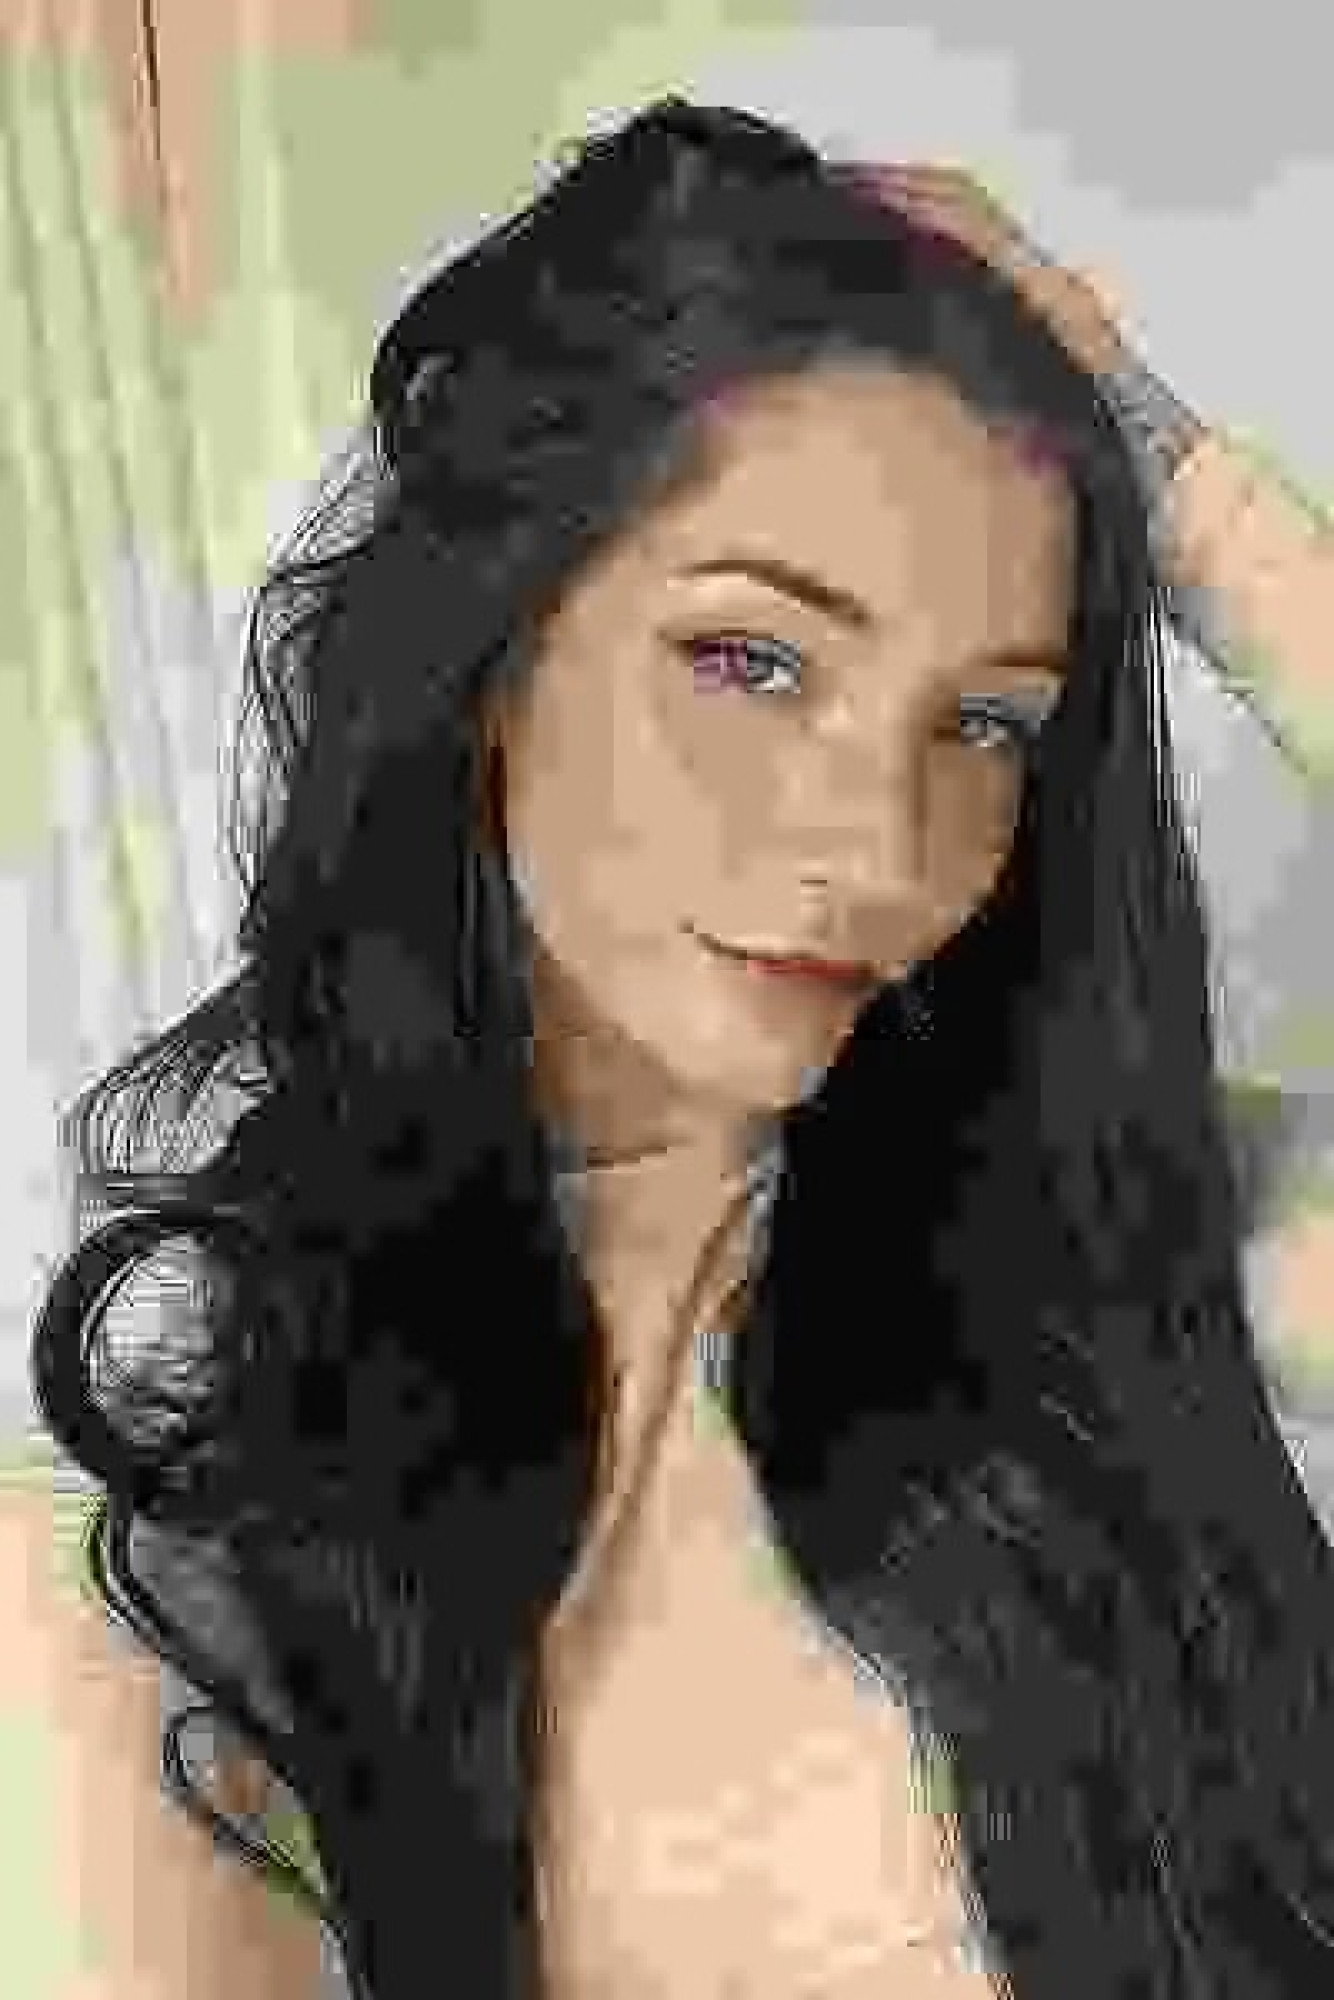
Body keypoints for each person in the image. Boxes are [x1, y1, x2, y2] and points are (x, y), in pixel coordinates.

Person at [19, 97, 1334, 2000]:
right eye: (752, 660)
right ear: (492, 645)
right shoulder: (188, 1567)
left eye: (982, 724)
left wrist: (1169, 476)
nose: (874, 851)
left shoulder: (1129, 1253)